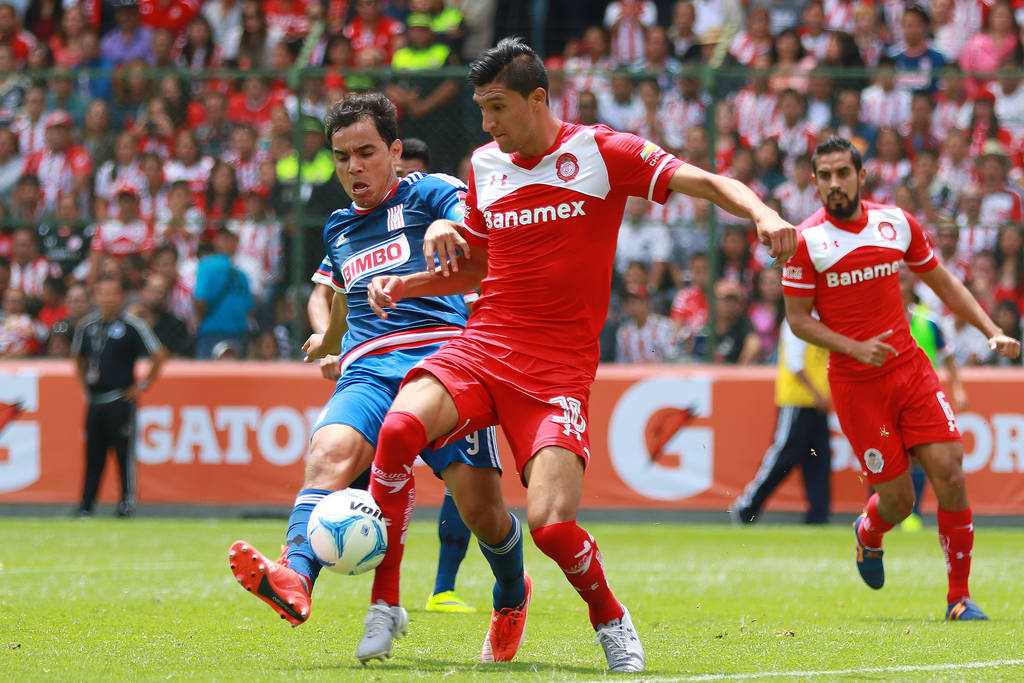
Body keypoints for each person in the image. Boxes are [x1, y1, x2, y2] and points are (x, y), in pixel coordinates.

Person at [330, 37, 795, 672]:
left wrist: (765, 214)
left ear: (538, 98)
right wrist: (408, 282)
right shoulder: (485, 165)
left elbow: (706, 181)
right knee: (399, 428)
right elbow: (480, 267)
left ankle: (608, 615)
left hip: (555, 371)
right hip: (482, 346)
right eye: (481, 109)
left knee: (549, 526)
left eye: (496, 108)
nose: (486, 123)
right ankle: (386, 604)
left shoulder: (601, 152)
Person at [230, 94, 528, 666]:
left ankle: (511, 594)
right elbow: (343, 294)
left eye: (366, 153)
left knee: (482, 515)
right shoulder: (340, 226)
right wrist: (330, 339)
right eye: (342, 157)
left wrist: (448, 220)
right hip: (367, 367)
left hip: (440, 365)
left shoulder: (429, 190)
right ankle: (295, 576)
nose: (353, 168)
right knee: (327, 453)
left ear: (395, 151)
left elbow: (478, 213)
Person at [781, 135, 1020, 621]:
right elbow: (798, 319)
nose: (834, 184)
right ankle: (868, 533)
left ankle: (959, 597)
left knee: (951, 472)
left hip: (910, 371)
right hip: (857, 386)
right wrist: (853, 348)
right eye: (824, 176)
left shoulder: (895, 223)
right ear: (814, 182)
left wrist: (991, 330)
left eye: (842, 173)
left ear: (861, 175)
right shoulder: (806, 241)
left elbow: (944, 283)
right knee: (899, 500)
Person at [71, 275, 166, 517]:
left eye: (112, 294)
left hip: (119, 399)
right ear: (95, 297)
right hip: (96, 399)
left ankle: (126, 503)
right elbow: (78, 357)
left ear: (121, 297)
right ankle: (86, 505)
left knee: (123, 455)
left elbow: (159, 354)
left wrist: (141, 386)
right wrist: (83, 386)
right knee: (93, 455)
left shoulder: (133, 326)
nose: (107, 299)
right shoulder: (87, 327)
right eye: (102, 293)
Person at [732, 317, 832, 524]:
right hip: (796, 402)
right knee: (782, 458)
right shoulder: (798, 321)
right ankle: (746, 507)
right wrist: (819, 394)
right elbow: (795, 365)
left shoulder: (820, 320)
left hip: (815, 403)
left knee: (819, 461)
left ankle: (818, 517)